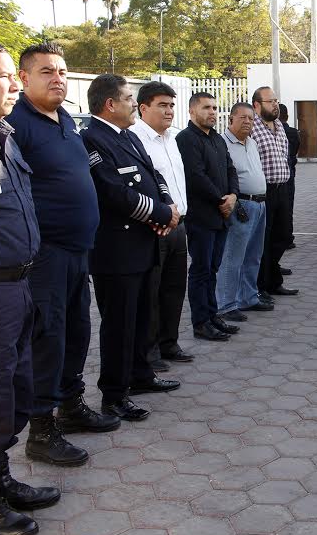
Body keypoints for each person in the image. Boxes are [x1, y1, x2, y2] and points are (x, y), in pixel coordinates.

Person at [7, 43, 119, 470]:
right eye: (47, 71)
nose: (58, 78)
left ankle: (71, 405)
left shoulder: (68, 122)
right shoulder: (16, 124)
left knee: (76, 332)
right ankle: (41, 430)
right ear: (23, 78)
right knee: (48, 338)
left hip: (77, 251)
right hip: (44, 256)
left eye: (62, 71)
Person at [0, 38, 58, 535]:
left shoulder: (1, 135)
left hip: (17, 286)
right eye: (4, 76)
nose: (14, 86)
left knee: (14, 390)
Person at [81, 73, 181, 422]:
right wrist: (159, 213)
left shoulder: (128, 136)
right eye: (127, 98)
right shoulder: (91, 139)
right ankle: (114, 395)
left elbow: (154, 176)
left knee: (141, 318)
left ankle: (140, 375)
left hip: (142, 243)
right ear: (110, 104)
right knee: (119, 326)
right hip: (117, 251)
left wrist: (167, 206)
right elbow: (112, 192)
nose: (133, 105)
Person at [132, 81, 196, 371]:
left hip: (178, 225)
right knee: (152, 293)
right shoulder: (135, 139)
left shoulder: (172, 138)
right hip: (153, 228)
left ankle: (169, 342)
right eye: (162, 105)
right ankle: (149, 352)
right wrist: (157, 217)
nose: (169, 110)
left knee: (174, 288)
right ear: (143, 108)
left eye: (171, 105)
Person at [176, 92, 240, 341]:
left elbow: (230, 169)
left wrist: (233, 195)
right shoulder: (186, 139)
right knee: (201, 270)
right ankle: (201, 322)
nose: (212, 112)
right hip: (202, 217)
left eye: (214, 107)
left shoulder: (217, 139)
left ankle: (213, 316)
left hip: (222, 215)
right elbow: (195, 177)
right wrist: (221, 201)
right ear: (192, 111)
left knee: (213, 268)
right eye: (206, 108)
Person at [217, 103, 272, 320]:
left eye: (251, 118)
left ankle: (248, 297)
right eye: (243, 118)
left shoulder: (252, 142)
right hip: (240, 205)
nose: (248, 122)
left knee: (253, 255)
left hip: (260, 204)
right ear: (231, 119)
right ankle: (226, 304)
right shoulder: (222, 143)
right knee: (233, 257)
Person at [251, 87, 297, 298]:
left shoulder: (278, 125)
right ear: (257, 105)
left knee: (283, 236)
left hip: (283, 188)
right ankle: (262, 286)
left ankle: (272, 280)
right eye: (270, 101)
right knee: (264, 240)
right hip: (264, 191)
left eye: (276, 100)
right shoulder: (251, 127)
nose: (275, 104)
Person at [277, 103, 299, 250]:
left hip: (277, 174)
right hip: (289, 171)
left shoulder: (276, 132)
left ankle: (280, 237)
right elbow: (295, 149)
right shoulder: (293, 132)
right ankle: (288, 237)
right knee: (288, 205)